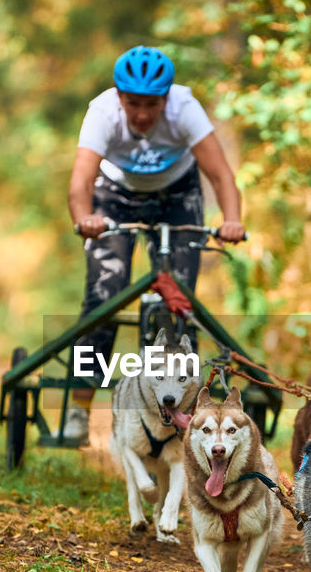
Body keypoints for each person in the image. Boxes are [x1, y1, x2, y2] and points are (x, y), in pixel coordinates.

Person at [62, 45, 245, 443]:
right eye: (133, 104)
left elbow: (220, 175)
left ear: (166, 98)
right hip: (114, 195)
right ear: (119, 97)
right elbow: (80, 182)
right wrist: (84, 218)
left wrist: (231, 220)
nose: (142, 114)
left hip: (177, 196)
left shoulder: (185, 108)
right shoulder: (102, 113)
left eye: (151, 104)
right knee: (102, 299)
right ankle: (77, 408)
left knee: (176, 304)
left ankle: (187, 415)